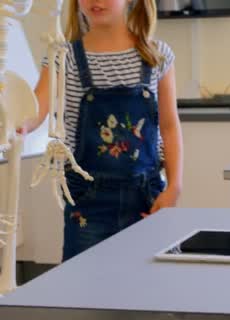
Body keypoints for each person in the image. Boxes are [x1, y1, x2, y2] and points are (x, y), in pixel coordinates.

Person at [23, 0, 183, 261]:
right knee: (86, 289)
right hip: (88, 205)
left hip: (148, 199)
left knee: (154, 287)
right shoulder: (62, 58)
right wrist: (16, 123)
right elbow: (33, 113)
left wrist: (174, 186)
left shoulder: (157, 55)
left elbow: (170, 126)